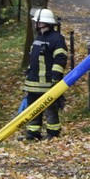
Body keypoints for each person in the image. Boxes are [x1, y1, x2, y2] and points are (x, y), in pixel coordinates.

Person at [23, 8, 68, 140]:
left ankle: (53, 133)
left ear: (41, 22)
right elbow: (34, 59)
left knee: (51, 110)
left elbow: (60, 59)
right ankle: (33, 133)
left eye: (36, 22)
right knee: (32, 110)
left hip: (48, 83)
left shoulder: (57, 39)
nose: (35, 24)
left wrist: (55, 78)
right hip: (33, 83)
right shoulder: (39, 38)